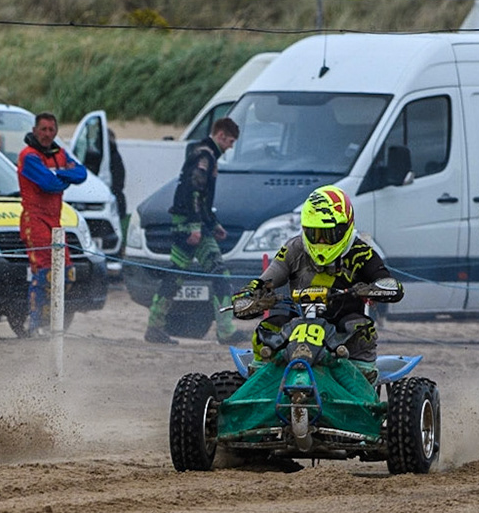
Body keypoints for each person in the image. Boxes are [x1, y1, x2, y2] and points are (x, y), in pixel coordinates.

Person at [230, 185, 399, 379]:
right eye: (314, 233)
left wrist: (372, 289)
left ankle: (361, 377)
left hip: (341, 326)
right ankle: (260, 378)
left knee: (360, 328)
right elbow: (268, 277)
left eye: (327, 234)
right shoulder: (294, 248)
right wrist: (251, 294)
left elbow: (389, 283)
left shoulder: (361, 252)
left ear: (345, 227)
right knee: (267, 329)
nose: (321, 241)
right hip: (297, 321)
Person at [145, 116, 239, 344]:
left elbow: (199, 196)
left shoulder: (202, 153)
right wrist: (198, 226)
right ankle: (226, 331)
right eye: (230, 141)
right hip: (189, 225)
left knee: (176, 273)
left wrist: (213, 224)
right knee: (219, 273)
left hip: (184, 223)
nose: (231, 147)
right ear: (220, 136)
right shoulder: (205, 156)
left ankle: (154, 327)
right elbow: (195, 192)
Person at [16, 112, 87, 336]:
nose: (47, 134)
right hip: (34, 219)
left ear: (56, 131)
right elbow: (50, 184)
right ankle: (34, 324)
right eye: (43, 129)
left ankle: (50, 320)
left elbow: (82, 173)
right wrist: (63, 175)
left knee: (67, 272)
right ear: (35, 130)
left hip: (55, 221)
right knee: (44, 271)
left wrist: (58, 173)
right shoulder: (28, 156)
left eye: (51, 130)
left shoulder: (60, 153)